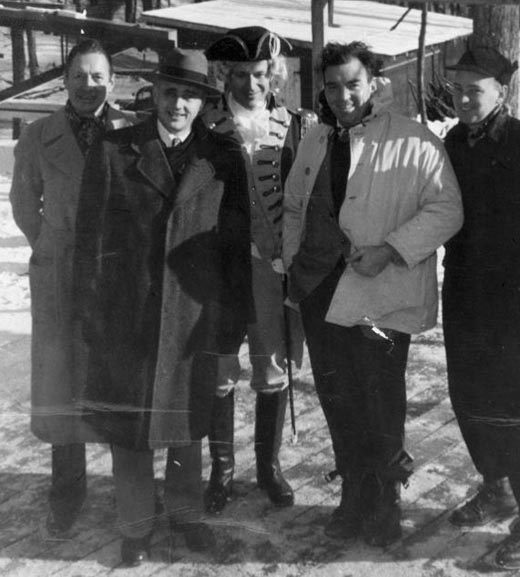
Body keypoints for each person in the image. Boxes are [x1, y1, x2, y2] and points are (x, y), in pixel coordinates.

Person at [72, 48, 251, 567]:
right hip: (124, 321)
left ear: (202, 102)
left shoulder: (221, 158)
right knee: (129, 434)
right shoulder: (114, 149)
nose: (178, 104)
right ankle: (135, 528)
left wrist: (228, 339)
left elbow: (235, 256)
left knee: (186, 427)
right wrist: (90, 318)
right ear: (155, 94)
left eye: (190, 94)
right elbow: (88, 243)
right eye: (170, 92)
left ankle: (186, 516)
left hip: (192, 321)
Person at [283, 41, 463, 547]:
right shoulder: (316, 140)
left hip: (381, 296)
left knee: (379, 400)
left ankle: (386, 501)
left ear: (375, 82)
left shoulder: (415, 140)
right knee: (339, 399)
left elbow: (447, 210)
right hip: (321, 290)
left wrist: (391, 247)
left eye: (353, 84)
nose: (342, 95)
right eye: (333, 85)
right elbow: (296, 207)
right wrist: (296, 263)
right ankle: (354, 497)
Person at [440, 45, 520, 568]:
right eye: (459, 89)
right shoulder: (453, 141)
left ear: (502, 93)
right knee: (467, 393)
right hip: (464, 287)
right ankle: (497, 485)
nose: (465, 99)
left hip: (509, 297)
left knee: (517, 408)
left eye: (476, 90)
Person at [9, 39, 134, 538]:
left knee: (121, 375)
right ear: (65, 80)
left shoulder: (129, 130)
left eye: (98, 76)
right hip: (61, 275)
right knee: (62, 381)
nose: (88, 86)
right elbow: (23, 204)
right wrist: (53, 246)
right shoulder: (39, 135)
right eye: (79, 76)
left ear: (112, 80)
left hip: (118, 274)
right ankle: (68, 489)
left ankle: (132, 487)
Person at [200, 26, 308, 513]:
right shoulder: (203, 125)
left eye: (259, 74)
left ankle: (269, 467)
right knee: (219, 371)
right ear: (224, 74)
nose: (250, 85)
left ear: (273, 74)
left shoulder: (297, 126)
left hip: (271, 270)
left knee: (271, 368)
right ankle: (221, 471)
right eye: (240, 75)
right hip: (218, 272)